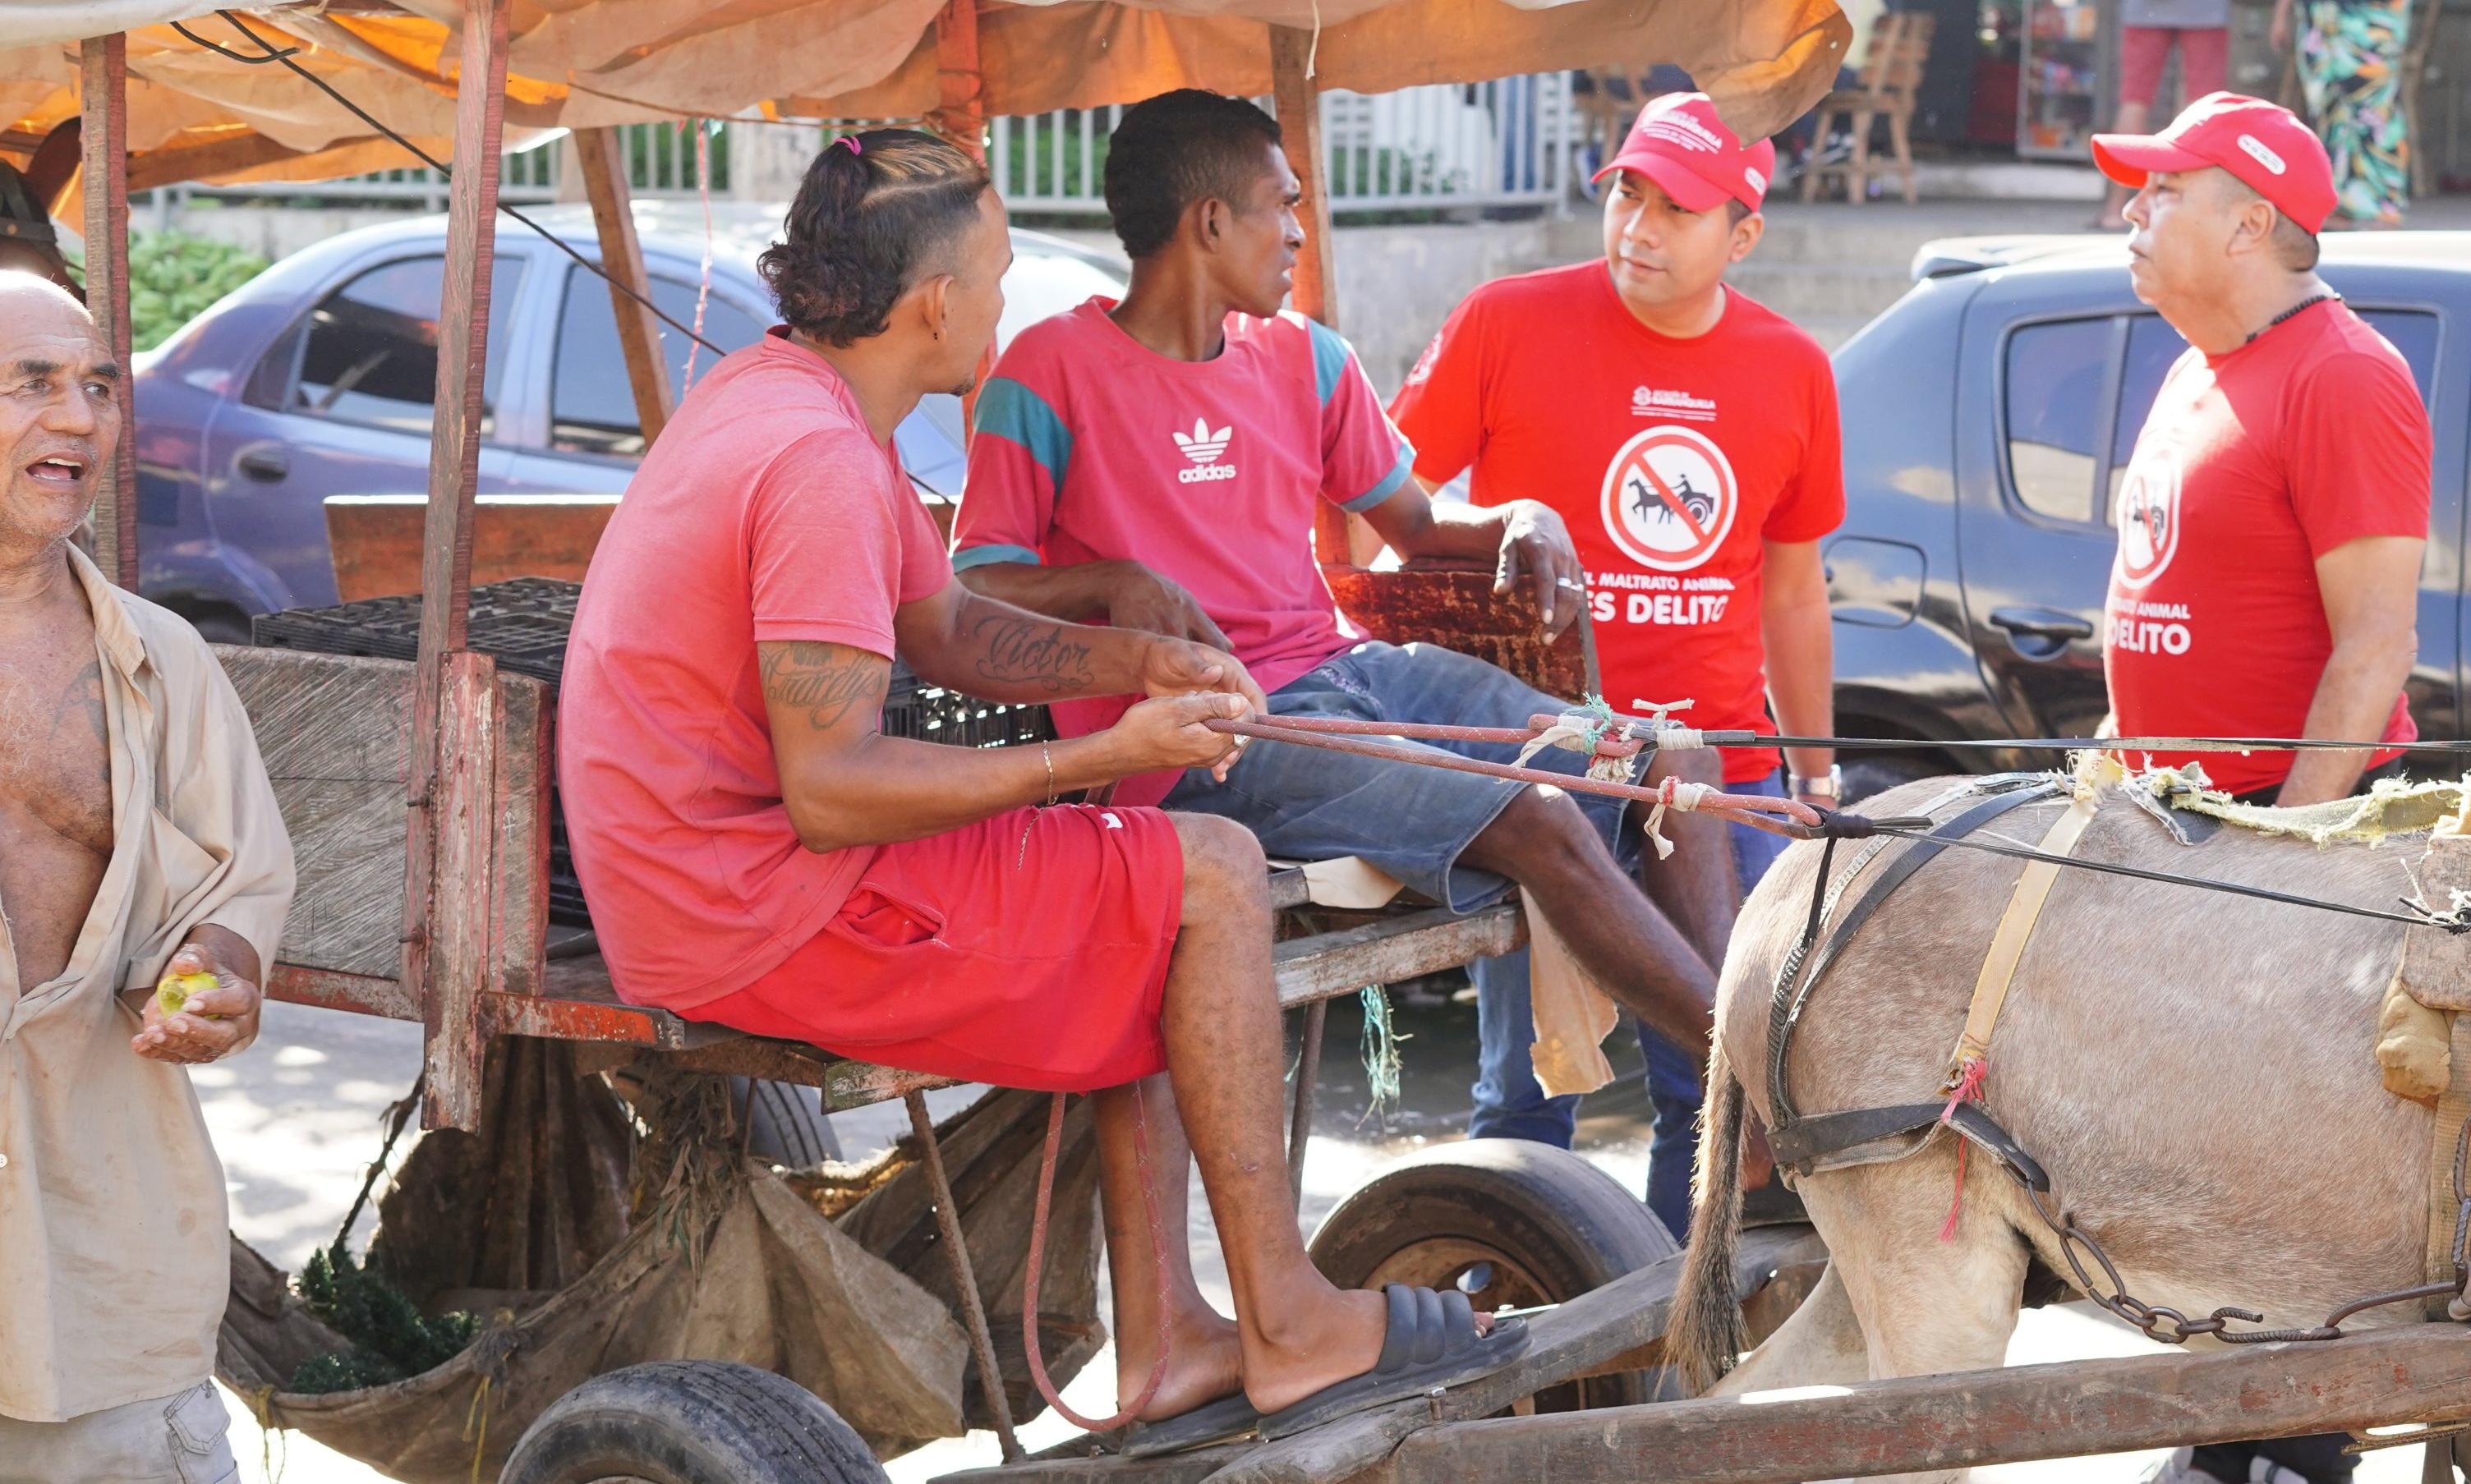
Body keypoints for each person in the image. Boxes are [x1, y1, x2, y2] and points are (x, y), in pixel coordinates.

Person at [558, 130, 1514, 1450]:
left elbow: (942, 623)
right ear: (933, 303)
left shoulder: (788, 394)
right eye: (998, 280)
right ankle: (1282, 1316)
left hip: (718, 875)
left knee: (1145, 875)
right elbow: (831, 787)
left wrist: (1131, 657)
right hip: (747, 909)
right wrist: (1099, 753)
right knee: (1209, 869)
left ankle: (1176, 1333)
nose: (1006, 308)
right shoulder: (819, 462)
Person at [950, 92, 1734, 1143]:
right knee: (1537, 816)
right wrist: (1107, 582)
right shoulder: (1043, 372)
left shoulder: (1306, 359)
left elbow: (1416, 528)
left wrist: (1523, 516)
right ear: (1211, 222)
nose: (1296, 232)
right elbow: (973, 587)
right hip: (1207, 740)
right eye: (1284, 205)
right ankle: (1758, 1092)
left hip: (1349, 675)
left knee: (1676, 764)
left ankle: (1740, 1091)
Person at [1387, 91, 1840, 1238]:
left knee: (1708, 1084)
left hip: (1719, 775)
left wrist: (1816, 768)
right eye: (1627, 193)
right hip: (1543, 774)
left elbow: (1790, 587)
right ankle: (1509, 1327)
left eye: (1675, 208)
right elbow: (1380, 503)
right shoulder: (1503, 319)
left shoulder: (1791, 368)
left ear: (1740, 234)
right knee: (1527, 1087)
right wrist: (1497, 520)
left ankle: (1662, 1343)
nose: (1637, 226)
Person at [2093, 93, 2425, 1477]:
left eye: (2161, 192)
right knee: (2200, 1173)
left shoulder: (2342, 375)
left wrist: (2277, 874)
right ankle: (2227, 1430)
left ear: (2251, 222)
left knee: (2290, 1177)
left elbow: (2373, 651)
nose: (2132, 212)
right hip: (2176, 830)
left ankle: (2292, 1452)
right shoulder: (2195, 364)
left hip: (2285, 854)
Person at [0, 272, 292, 1483]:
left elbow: (235, 893)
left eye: (99, 387)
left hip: (101, 1281)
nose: (79, 419)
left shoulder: (161, 662)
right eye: (33, 384)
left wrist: (219, 973)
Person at [2273, 0, 2414, 227]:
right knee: (2328, 110)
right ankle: (2334, 202)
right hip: (2322, 20)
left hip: (2371, 16)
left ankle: (2383, 202)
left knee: (2374, 108)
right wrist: (2282, 13)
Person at [2097, 0, 2236, 227]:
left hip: (2143, 10)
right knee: (2200, 104)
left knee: (2134, 100)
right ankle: (2188, 206)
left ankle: (2115, 210)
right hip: (2204, 11)